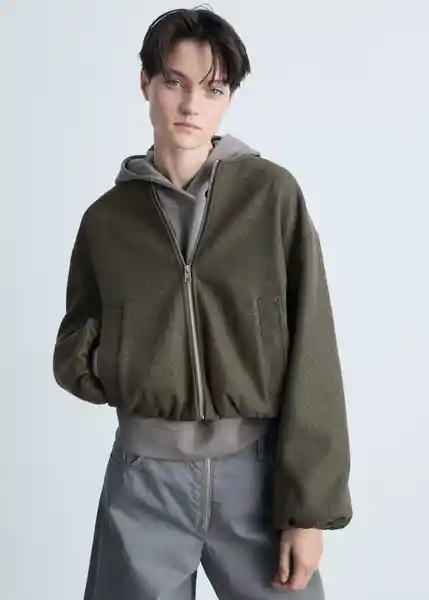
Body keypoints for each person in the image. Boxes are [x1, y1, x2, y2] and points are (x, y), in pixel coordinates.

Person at [52, 6, 353, 600]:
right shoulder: (107, 221)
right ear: (146, 82)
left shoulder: (271, 196)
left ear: (229, 97)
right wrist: (122, 361)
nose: (192, 105)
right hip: (143, 481)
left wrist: (308, 511)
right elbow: (76, 342)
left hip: (257, 478)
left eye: (213, 89)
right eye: (175, 82)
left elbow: (313, 349)